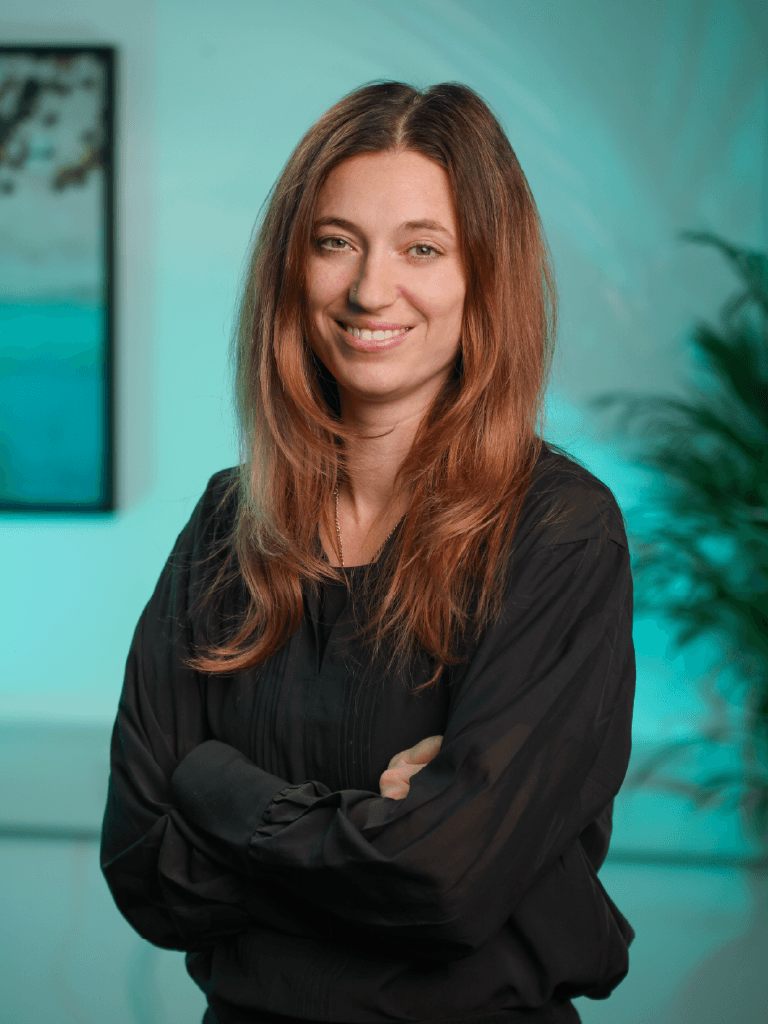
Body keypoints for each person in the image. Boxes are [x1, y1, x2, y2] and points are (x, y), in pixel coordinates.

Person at [100, 81, 636, 1024]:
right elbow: (143, 862)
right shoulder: (226, 525)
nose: (368, 289)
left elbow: (443, 884)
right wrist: (371, 836)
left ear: (484, 279)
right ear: (292, 266)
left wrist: (217, 785)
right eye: (335, 241)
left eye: (421, 248)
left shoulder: (561, 532)